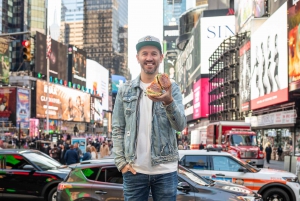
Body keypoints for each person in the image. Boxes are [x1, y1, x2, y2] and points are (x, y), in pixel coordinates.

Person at [112, 35, 186, 201]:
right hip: (134, 170)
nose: (149, 58)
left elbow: (180, 125)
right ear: (137, 57)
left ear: (161, 57)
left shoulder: (172, 88)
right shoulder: (125, 90)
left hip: (165, 170)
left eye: (154, 53)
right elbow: (118, 128)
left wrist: (169, 101)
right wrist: (121, 163)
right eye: (144, 53)